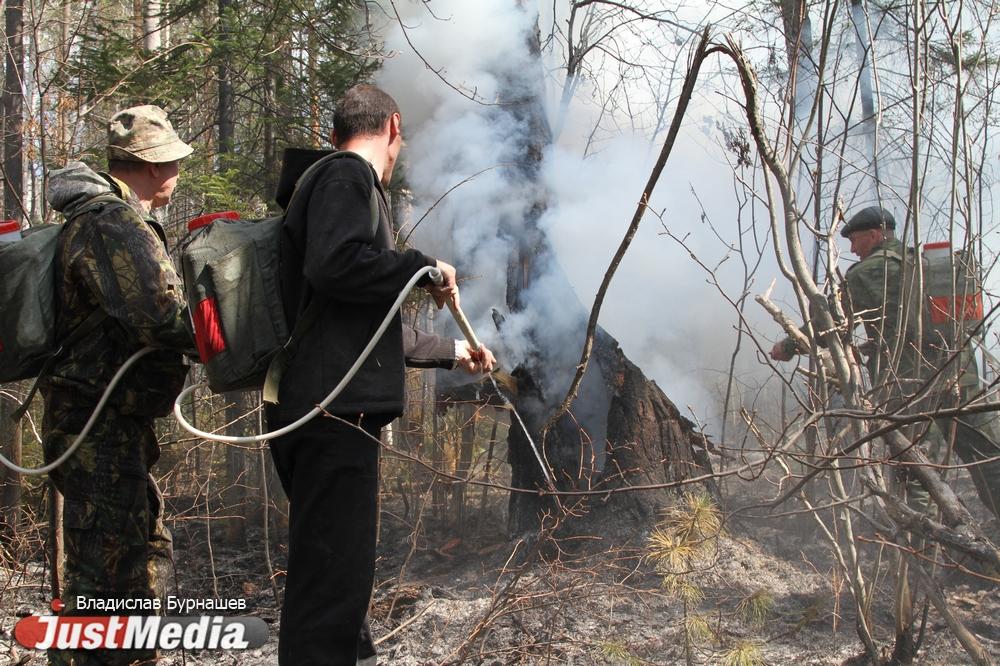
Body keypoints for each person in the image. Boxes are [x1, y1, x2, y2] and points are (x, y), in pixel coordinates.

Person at [265, 83, 497, 665]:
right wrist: (424, 267)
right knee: (330, 586)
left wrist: (453, 351)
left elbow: (369, 328)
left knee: (336, 576)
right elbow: (335, 265)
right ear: (393, 125)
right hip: (331, 415)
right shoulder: (345, 175)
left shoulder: (327, 186)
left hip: (324, 410)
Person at [41, 105, 195, 665]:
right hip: (96, 426)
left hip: (106, 425)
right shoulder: (112, 222)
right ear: (152, 165)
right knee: (105, 581)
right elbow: (161, 316)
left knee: (136, 558)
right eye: (173, 162)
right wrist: (227, 327)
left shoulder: (109, 218)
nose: (178, 172)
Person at [770, 206, 1000, 520]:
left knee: (918, 474)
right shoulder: (927, 264)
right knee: (990, 461)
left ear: (875, 234)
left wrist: (788, 346)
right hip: (961, 377)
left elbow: (829, 326)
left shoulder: (865, 273)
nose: (852, 249)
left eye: (855, 240)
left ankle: (925, 545)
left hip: (908, 390)